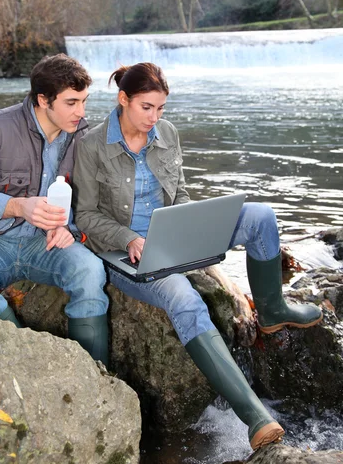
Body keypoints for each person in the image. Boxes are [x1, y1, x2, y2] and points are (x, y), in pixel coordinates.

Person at [72, 62, 323, 450]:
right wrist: (129, 238)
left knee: (260, 217)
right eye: (146, 108)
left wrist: (193, 225)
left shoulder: (167, 134)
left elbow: (180, 193)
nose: (155, 118)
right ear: (123, 100)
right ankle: (255, 417)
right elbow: (85, 215)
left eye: (161, 109)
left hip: (174, 237)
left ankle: (273, 312)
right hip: (124, 254)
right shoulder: (90, 145)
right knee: (184, 298)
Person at [0, 54, 109, 365]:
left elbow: (92, 199)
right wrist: (18, 205)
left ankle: (94, 377)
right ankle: (28, 365)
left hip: (45, 244)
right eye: (71, 103)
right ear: (43, 99)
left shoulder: (84, 137)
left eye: (84, 101)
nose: (81, 112)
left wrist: (68, 227)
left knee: (90, 271)